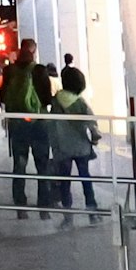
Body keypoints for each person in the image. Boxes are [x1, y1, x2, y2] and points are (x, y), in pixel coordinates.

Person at [0, 39, 49, 208]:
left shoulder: (9, 71)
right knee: (42, 165)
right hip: (38, 124)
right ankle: (43, 206)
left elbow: (4, 97)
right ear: (33, 52)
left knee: (19, 165)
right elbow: (47, 98)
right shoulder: (40, 70)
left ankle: (20, 205)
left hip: (17, 124)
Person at [45, 64, 101, 215]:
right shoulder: (80, 102)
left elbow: (51, 122)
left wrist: (54, 144)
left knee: (65, 180)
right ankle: (92, 209)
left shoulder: (56, 100)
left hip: (63, 147)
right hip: (81, 146)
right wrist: (95, 137)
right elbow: (91, 122)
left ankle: (68, 214)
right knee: (85, 177)